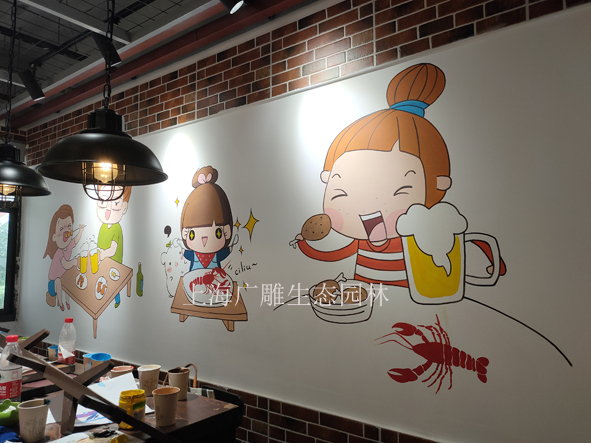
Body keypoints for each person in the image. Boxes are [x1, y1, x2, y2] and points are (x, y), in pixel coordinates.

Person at [292, 63, 504, 288]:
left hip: (409, 297)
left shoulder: (419, 239)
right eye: (341, 193)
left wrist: (496, 264)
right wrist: (304, 245)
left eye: (399, 191)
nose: (367, 206)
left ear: (437, 185)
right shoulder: (363, 242)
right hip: (366, 298)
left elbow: (462, 242)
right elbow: (336, 255)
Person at [180, 166, 234, 271]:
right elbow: (186, 254)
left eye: (218, 233)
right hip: (194, 279)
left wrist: (230, 249)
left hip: (215, 279)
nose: (204, 240)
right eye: (192, 234)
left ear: (226, 231)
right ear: (185, 233)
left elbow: (224, 253)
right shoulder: (194, 255)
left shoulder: (216, 256)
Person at [43, 205, 85, 310]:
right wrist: (75, 262)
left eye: (69, 226)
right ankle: (60, 303)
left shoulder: (69, 245)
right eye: (61, 228)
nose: (66, 231)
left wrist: (80, 231)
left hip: (62, 278)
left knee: (67, 281)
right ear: (54, 237)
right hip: (53, 283)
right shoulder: (59, 252)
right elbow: (66, 264)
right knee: (59, 281)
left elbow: (75, 240)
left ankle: (67, 301)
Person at [97, 186, 131, 308]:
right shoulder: (103, 227)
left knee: (113, 283)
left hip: (114, 263)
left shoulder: (116, 228)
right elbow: (99, 244)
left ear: (124, 207)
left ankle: (117, 299)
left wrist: (102, 254)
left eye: (115, 203)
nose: (108, 208)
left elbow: (112, 250)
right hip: (103, 261)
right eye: (103, 201)